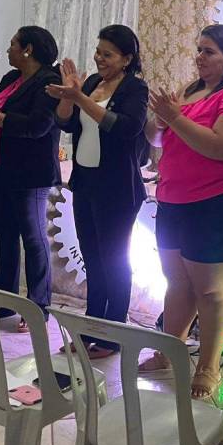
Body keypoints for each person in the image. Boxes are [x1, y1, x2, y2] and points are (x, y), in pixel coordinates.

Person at [140, 23, 223, 400]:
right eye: (198, 50)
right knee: (176, 281)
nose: (199, 57)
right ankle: (169, 350)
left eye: (209, 51)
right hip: (174, 197)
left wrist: (175, 117)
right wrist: (162, 119)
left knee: (209, 288)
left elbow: (222, 146)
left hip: (220, 200)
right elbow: (155, 137)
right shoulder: (188, 91)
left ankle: (209, 366)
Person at [49, 25, 148, 356]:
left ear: (127, 59)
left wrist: (79, 98)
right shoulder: (92, 83)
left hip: (117, 188)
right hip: (86, 182)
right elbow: (66, 123)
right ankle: (90, 329)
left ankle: (112, 336)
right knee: (92, 260)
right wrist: (69, 97)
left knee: (114, 263)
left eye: (108, 54)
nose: (99, 58)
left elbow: (124, 127)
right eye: (98, 52)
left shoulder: (135, 88)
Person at [0, 26, 61, 331]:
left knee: (33, 238)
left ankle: (38, 306)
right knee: (5, 234)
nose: (8, 48)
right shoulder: (12, 78)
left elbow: (38, 126)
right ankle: (4, 302)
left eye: (13, 44)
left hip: (31, 173)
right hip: (3, 167)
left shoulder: (49, 81)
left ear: (28, 49)